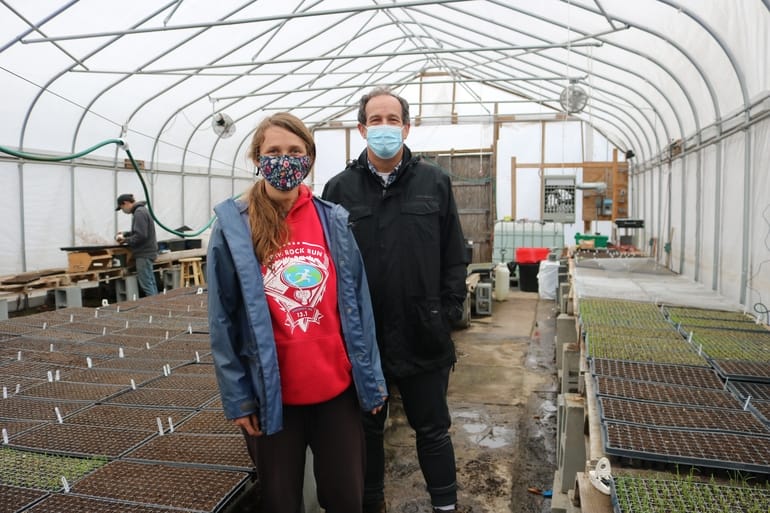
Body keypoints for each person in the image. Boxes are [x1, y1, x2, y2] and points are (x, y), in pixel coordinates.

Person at [207, 112, 388, 513]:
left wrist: (371, 379)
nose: (284, 161)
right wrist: (238, 398)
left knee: (346, 499)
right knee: (281, 502)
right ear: (257, 157)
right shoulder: (234, 227)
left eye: (295, 152)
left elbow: (358, 303)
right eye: (273, 152)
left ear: (308, 159)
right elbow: (222, 319)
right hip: (272, 395)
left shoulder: (332, 220)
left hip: (336, 392)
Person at [322, 88, 470, 513]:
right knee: (366, 431)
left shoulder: (434, 182)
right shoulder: (340, 188)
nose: (384, 126)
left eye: (393, 119)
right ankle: (373, 504)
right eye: (376, 119)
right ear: (362, 128)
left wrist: (448, 311)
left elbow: (454, 253)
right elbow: (330, 263)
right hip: (364, 338)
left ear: (406, 127)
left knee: (433, 428)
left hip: (424, 329)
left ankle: (445, 505)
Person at [115, 193, 158, 297]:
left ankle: (154, 305)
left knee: (147, 283)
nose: (123, 211)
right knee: (150, 281)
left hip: (144, 253)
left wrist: (125, 240)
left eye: (122, 208)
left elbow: (141, 235)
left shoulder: (139, 213)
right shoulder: (141, 211)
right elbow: (140, 232)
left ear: (125, 203)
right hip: (148, 252)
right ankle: (158, 302)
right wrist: (126, 234)